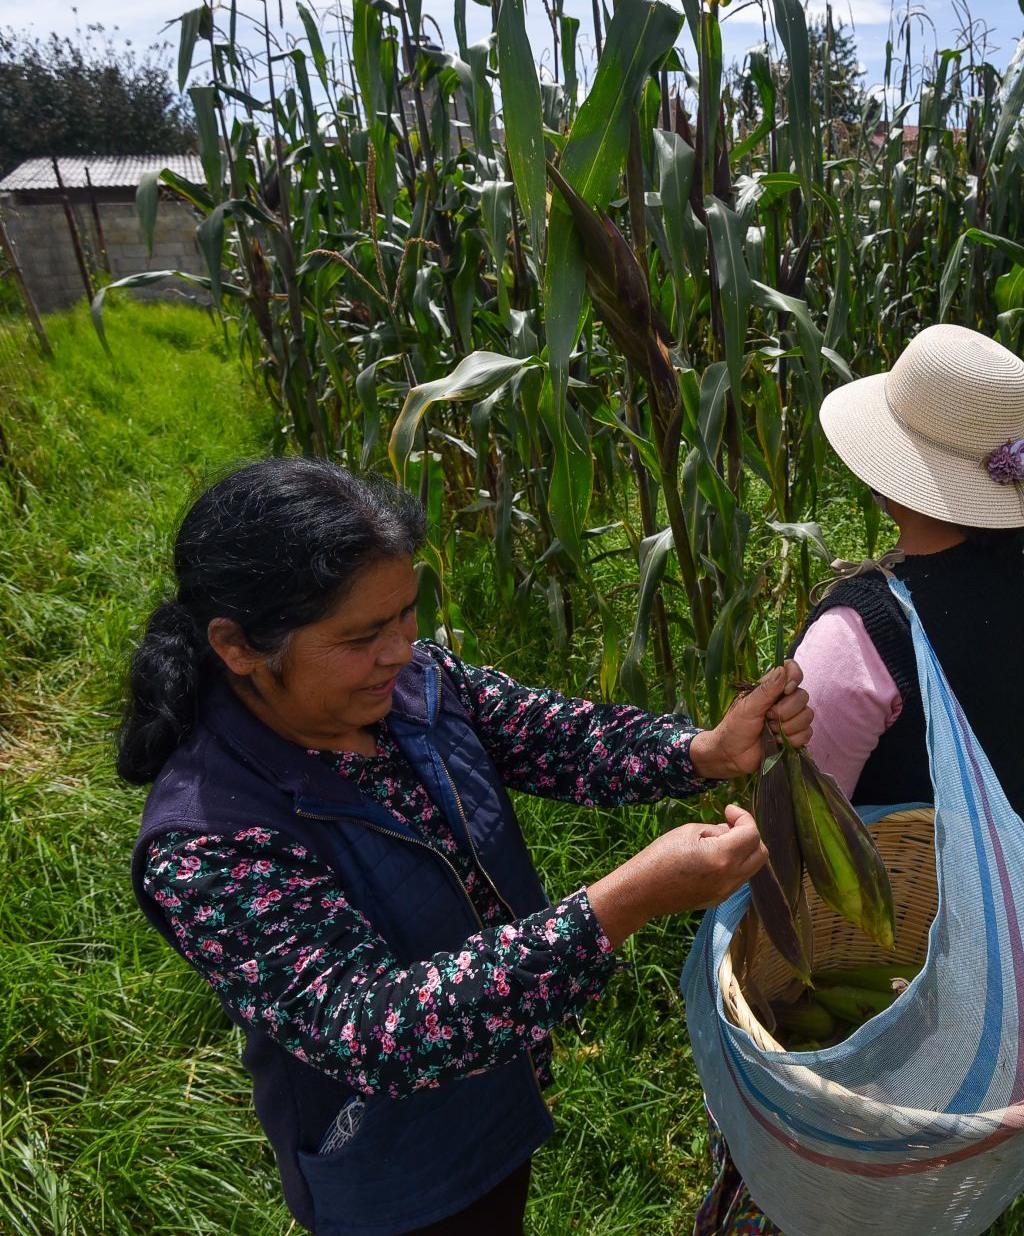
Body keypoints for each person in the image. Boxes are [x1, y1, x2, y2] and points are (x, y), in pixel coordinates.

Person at [121, 458, 812, 1236]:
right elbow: (376, 1029)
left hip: (495, 1072)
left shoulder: (416, 681)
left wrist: (700, 751)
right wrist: (623, 903)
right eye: (360, 637)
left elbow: (556, 739)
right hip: (392, 1160)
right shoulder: (208, 843)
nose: (398, 650)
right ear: (239, 645)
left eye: (406, 614)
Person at [694, 323, 1024, 1234]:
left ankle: (790, 1193)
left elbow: (802, 813)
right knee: (937, 1038)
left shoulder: (856, 632)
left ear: (884, 471)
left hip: (862, 898)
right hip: (979, 863)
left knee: (833, 1077)